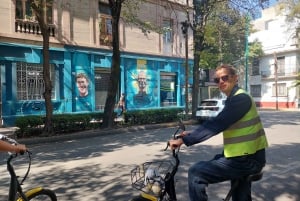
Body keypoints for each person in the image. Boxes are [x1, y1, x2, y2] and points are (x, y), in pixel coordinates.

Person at [168, 64, 268, 201]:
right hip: (241, 156)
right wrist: (191, 133)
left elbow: (217, 124)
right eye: (217, 80)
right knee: (241, 197)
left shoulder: (241, 99)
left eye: (225, 77)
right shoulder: (233, 99)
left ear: (235, 78)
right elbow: (219, 122)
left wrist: (184, 141)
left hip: (246, 160)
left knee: (196, 172)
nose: (221, 81)